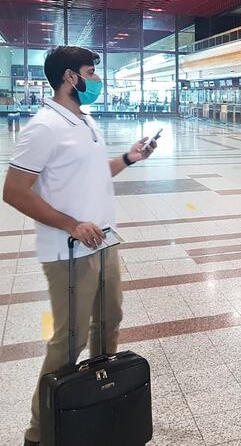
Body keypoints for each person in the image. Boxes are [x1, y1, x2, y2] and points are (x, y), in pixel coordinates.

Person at [2, 46, 157, 446]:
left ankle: (99, 406)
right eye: (91, 72)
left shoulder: (82, 120)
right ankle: (40, 434)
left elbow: (92, 172)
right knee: (69, 342)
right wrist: (71, 224)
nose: (96, 81)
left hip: (103, 242)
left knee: (108, 324)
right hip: (69, 251)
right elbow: (15, 192)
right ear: (71, 77)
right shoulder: (44, 127)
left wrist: (128, 157)